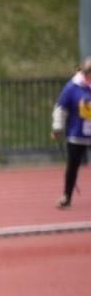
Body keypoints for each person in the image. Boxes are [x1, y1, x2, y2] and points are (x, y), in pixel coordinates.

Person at [51, 57, 91, 208]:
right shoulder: (72, 87)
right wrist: (57, 128)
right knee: (73, 166)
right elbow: (61, 108)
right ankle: (66, 196)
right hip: (77, 134)